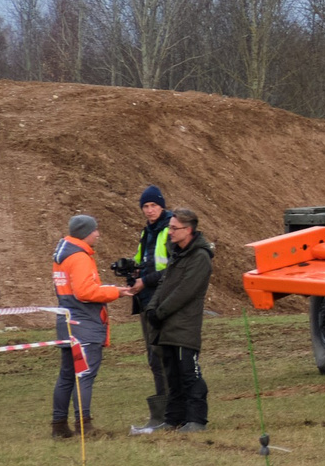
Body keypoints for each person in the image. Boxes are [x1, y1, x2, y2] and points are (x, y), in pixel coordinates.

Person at [50, 214, 125, 438]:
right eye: (95, 230)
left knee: (66, 376)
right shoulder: (79, 257)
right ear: (85, 233)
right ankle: (85, 425)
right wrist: (115, 291)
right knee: (85, 375)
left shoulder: (63, 256)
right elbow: (85, 292)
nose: (98, 234)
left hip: (67, 321)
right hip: (84, 323)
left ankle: (59, 425)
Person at [141, 208, 214, 431]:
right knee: (172, 377)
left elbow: (185, 291)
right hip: (167, 327)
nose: (170, 232)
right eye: (169, 227)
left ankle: (196, 419)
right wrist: (151, 308)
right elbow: (164, 284)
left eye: (174, 228)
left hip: (184, 326)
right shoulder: (177, 253)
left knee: (189, 374)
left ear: (188, 230)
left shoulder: (200, 257)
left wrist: (160, 312)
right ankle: (174, 419)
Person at [119, 184, 173, 430]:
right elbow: (144, 262)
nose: (149, 210)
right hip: (146, 299)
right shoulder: (148, 232)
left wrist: (145, 280)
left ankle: (168, 412)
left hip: (162, 299)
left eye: (153, 205)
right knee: (154, 356)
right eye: (146, 206)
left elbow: (173, 268)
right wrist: (133, 273)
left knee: (162, 354)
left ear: (161, 206)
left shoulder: (170, 230)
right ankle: (163, 411)